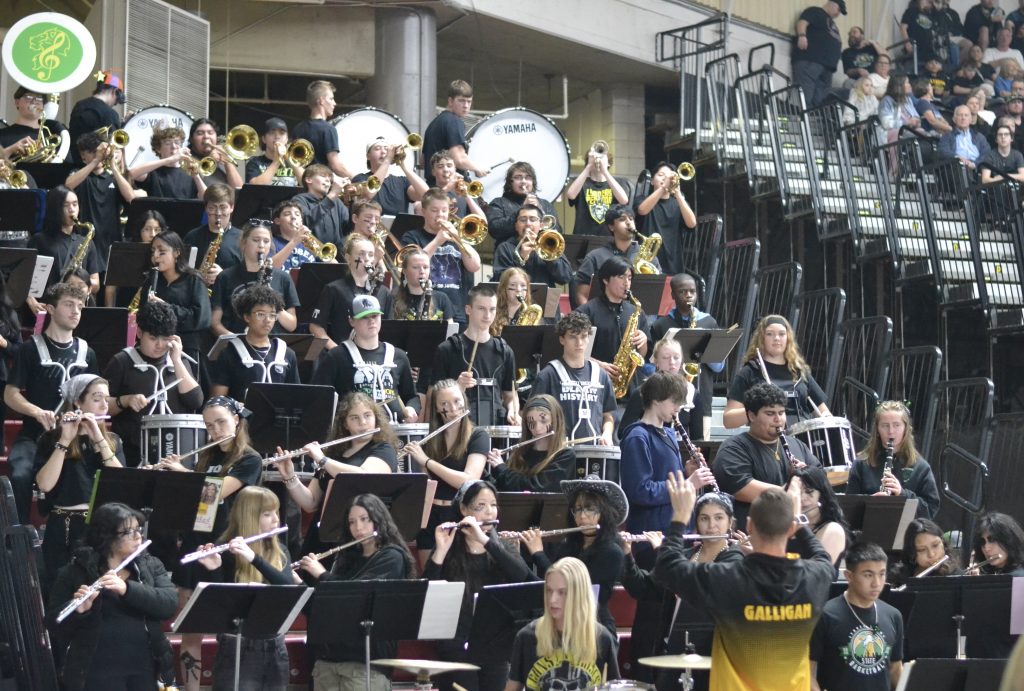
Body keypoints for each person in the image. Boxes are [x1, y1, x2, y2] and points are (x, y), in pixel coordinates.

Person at [653, 473, 835, 691]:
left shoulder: (727, 577)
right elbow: (822, 557)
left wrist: (680, 516)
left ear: (749, 526)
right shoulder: (815, 577)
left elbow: (667, 566)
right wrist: (798, 521)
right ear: (791, 529)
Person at [155, 396, 262, 691]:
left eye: (221, 423)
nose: (215, 431)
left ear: (237, 421)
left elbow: (219, 491)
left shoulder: (249, 459)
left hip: (228, 547)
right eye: (209, 426)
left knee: (229, 628)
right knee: (191, 629)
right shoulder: (207, 456)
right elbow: (197, 505)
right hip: (198, 542)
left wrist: (183, 474)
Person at [47, 502, 177, 691]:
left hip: (145, 667)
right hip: (96, 670)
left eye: (138, 529)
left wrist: (127, 589)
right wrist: (79, 611)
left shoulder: (150, 565)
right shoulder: (76, 571)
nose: (138, 536)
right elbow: (54, 624)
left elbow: (169, 604)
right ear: (106, 536)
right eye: (129, 532)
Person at [620, 491, 743, 688]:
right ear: (697, 523)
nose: (711, 525)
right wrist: (627, 554)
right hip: (673, 650)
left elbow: (698, 586)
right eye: (704, 518)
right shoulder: (685, 556)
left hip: (712, 653)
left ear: (730, 522)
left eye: (719, 518)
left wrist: (664, 553)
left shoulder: (734, 559)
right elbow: (644, 588)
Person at [422, 480, 535, 691]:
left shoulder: (501, 548)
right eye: (480, 506)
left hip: (495, 645)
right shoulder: (450, 547)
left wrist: (486, 541)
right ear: (464, 510)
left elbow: (523, 577)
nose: (489, 512)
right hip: (455, 645)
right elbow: (428, 593)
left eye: (493, 505)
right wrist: (440, 552)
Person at [296, 493, 416, 691]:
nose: (358, 528)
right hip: (328, 662)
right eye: (352, 522)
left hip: (365, 664)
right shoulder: (346, 559)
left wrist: (322, 574)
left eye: (364, 519)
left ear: (378, 519)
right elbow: (323, 608)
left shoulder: (392, 557)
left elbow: (356, 598)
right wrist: (297, 582)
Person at [4, 283, 97, 523]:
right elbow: (10, 394)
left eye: (80, 306)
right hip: (34, 435)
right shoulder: (29, 349)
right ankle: (19, 535)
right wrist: (36, 412)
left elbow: (96, 397)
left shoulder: (87, 353)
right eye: (69, 305)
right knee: (20, 473)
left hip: (74, 437)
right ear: (50, 309)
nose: (75, 311)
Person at [273, 392, 398, 557]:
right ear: (345, 424)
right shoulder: (334, 455)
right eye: (354, 418)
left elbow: (364, 477)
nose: (363, 422)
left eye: (367, 415)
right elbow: (310, 502)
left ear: (376, 418)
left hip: (360, 535)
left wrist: (322, 459)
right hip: (324, 534)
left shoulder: (383, 449)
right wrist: (290, 476)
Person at [196, 487, 295, 691]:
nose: (276, 519)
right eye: (267, 514)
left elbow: (287, 587)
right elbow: (221, 607)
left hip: (275, 644)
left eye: (276, 512)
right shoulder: (226, 550)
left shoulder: (279, 550)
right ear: (249, 516)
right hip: (237, 646)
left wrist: (253, 558)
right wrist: (214, 570)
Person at [34, 375, 124, 591]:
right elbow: (45, 485)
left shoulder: (112, 440)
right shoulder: (51, 439)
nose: (104, 406)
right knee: (58, 589)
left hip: (99, 526)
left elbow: (121, 482)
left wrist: (99, 439)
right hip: (61, 525)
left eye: (107, 400)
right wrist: (65, 440)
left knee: (96, 590)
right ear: (77, 402)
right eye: (97, 399)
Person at [520, 476, 628, 634]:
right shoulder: (568, 546)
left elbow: (577, 593)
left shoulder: (612, 552)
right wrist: (514, 554)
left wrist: (538, 554)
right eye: (577, 509)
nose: (582, 516)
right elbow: (546, 584)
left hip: (593, 628)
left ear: (604, 512)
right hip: (561, 622)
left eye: (590, 509)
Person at [104, 300, 203, 467]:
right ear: (139, 333)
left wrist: (177, 360)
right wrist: (126, 400)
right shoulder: (122, 361)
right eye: (153, 338)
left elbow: (195, 401)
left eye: (165, 339)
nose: (159, 345)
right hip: (134, 450)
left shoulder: (178, 360)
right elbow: (102, 406)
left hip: (175, 450)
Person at [713, 383, 821, 528]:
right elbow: (740, 487)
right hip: (755, 531)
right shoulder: (734, 447)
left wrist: (806, 473)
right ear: (752, 415)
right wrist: (789, 489)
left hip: (795, 529)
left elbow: (820, 478)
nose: (778, 419)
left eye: (781, 413)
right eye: (770, 414)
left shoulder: (797, 444)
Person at [620, 372, 715, 535]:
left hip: (677, 526)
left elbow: (665, 477)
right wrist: (688, 484)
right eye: (674, 401)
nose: (678, 408)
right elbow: (640, 491)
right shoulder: (637, 436)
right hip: (651, 533)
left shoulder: (669, 433)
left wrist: (686, 473)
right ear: (656, 399)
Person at [506, 556, 620, 691]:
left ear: (579, 595)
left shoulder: (602, 638)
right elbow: (513, 687)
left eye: (562, 592)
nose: (552, 600)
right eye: (549, 591)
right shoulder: (527, 636)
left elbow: (615, 685)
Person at [404, 380, 489, 558]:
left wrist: (427, 461)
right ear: (436, 408)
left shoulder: (478, 435)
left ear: (464, 400)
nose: (453, 408)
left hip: (460, 514)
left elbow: (469, 480)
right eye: (445, 404)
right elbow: (428, 483)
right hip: (431, 515)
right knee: (430, 570)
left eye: (457, 401)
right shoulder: (431, 439)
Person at [810, 542, 904, 691]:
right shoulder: (825, 615)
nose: (876, 583)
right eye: (868, 575)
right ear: (849, 576)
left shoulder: (893, 615)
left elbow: (895, 670)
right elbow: (807, 672)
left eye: (881, 574)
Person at [311, 295, 418, 423]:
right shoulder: (336, 356)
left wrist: (411, 408)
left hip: (393, 428)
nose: (371, 321)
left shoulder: (398, 356)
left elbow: (411, 396)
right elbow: (318, 396)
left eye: (375, 316)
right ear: (351, 321)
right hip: (354, 429)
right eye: (364, 317)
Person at [427, 285, 519, 426]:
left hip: (495, 426)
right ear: (468, 309)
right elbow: (432, 397)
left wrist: (513, 410)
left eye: (492, 309)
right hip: (459, 427)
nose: (487, 315)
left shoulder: (504, 351)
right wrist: (457, 387)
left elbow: (510, 395)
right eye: (481, 308)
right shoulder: (448, 349)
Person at [650, 273, 724, 440]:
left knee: (700, 446)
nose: (689, 295)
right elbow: (651, 363)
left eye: (692, 291)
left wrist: (702, 348)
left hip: (701, 398)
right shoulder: (661, 324)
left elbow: (719, 367)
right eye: (683, 291)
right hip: (666, 398)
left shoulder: (708, 322)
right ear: (673, 295)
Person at [723, 315, 830, 429]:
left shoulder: (799, 372)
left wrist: (827, 417)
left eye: (782, 334)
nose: (777, 338)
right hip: (766, 436)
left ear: (788, 338)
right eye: (770, 334)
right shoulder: (750, 371)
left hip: (801, 436)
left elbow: (824, 412)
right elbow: (728, 420)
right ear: (761, 339)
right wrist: (757, 407)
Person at [64, 131, 146, 276]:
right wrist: (95, 161)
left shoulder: (113, 177)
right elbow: (68, 185)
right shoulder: (79, 174)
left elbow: (131, 198)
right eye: (92, 152)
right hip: (85, 239)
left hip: (110, 241)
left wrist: (114, 166)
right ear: (83, 156)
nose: (99, 154)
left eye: (99, 150)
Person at [530, 312, 617, 444]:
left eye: (583, 336)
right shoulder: (548, 375)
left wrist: (607, 433)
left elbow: (608, 415)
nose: (579, 343)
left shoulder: (601, 375)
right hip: (560, 449)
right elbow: (533, 414)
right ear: (562, 339)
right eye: (573, 337)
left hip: (594, 449)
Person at [846, 400, 940, 519]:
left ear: (905, 428)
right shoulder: (861, 464)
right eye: (885, 425)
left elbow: (930, 509)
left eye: (896, 425)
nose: (891, 431)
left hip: (907, 529)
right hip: (868, 526)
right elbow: (848, 506)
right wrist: (869, 502)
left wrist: (902, 493)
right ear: (877, 430)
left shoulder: (921, 467)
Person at [402, 187, 482, 324]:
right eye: (434, 210)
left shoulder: (458, 237)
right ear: (423, 211)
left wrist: (458, 238)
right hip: (426, 309)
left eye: (444, 210)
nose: (440, 215)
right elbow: (412, 265)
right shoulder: (412, 237)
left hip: (458, 309)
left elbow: (474, 266)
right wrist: (437, 241)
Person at [576, 256, 651, 400]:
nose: (626, 283)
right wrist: (598, 365)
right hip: (594, 385)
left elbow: (642, 355)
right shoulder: (586, 312)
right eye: (621, 277)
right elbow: (574, 351)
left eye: (629, 278)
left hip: (630, 388)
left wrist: (643, 341)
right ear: (605, 279)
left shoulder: (636, 312)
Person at [210, 284, 301, 401]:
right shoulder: (229, 353)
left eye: (272, 315)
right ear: (246, 316)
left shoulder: (287, 354)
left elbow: (295, 397)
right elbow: (217, 401)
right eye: (260, 314)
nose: (267, 320)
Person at [209, 220, 300, 336]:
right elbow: (215, 323)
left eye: (266, 241)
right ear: (244, 243)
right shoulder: (225, 277)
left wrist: (273, 301)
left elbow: (291, 325)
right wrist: (236, 340)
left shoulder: (283, 277)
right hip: (237, 341)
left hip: (272, 343)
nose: (261, 245)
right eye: (256, 240)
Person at [310, 233, 395, 348]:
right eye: (361, 254)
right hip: (342, 350)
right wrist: (337, 351)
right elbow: (316, 327)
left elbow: (389, 330)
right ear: (348, 258)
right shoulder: (334, 289)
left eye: (371, 254)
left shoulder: (383, 292)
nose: (367, 259)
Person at [573, 205, 660, 307]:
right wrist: (592, 315)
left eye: (631, 219)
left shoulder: (648, 257)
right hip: (604, 313)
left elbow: (659, 291)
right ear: (611, 226)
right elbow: (581, 294)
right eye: (622, 219)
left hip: (641, 313)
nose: (629, 222)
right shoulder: (594, 257)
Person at [487, 394, 575, 492]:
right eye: (531, 422)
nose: (537, 428)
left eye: (543, 420)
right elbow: (501, 488)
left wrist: (502, 469)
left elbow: (535, 487)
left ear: (555, 421)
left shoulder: (565, 456)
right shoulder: (520, 455)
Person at [148, 231, 212, 363]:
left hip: (187, 348)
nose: (155, 256)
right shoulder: (152, 279)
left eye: (162, 252)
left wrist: (166, 308)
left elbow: (202, 318)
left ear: (176, 253)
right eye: (153, 251)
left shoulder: (193, 279)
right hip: (156, 348)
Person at [618, 334, 696, 440]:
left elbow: (698, 438)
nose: (672, 362)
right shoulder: (642, 392)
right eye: (666, 357)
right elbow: (623, 432)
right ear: (656, 361)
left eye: (676, 357)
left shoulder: (692, 392)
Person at [30, 186, 101, 296]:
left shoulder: (87, 242)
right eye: (65, 205)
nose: (72, 209)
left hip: (78, 302)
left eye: (75, 204)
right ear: (55, 208)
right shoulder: (39, 240)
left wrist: (80, 283)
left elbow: (96, 283)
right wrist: (33, 302)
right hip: (49, 302)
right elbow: (25, 279)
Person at [422, 80, 490, 186]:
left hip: (432, 188)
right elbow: (459, 159)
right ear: (450, 101)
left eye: (469, 101)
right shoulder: (454, 122)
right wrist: (478, 168)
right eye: (461, 101)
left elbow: (423, 161)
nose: (466, 106)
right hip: (450, 188)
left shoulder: (433, 124)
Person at [634, 162, 697, 275]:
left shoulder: (678, 203)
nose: (665, 178)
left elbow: (692, 224)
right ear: (652, 181)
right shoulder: (642, 199)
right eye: (661, 175)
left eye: (669, 176)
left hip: (673, 266)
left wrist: (678, 193)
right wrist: (663, 187)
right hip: (646, 265)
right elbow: (642, 210)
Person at [490, 204, 572, 287]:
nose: (528, 224)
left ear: (541, 225)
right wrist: (521, 259)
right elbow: (499, 281)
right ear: (516, 226)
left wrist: (547, 254)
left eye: (533, 219)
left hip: (545, 295)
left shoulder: (551, 245)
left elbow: (565, 278)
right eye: (523, 220)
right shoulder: (504, 248)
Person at [183, 183, 243, 291]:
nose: (218, 213)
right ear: (206, 208)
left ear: (232, 207)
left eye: (223, 207)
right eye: (212, 208)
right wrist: (198, 276)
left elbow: (246, 277)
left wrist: (223, 275)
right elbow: (182, 272)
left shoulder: (242, 238)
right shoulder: (192, 236)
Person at [485, 161, 561, 245]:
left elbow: (557, 232)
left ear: (533, 182)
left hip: (539, 250)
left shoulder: (545, 204)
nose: (523, 181)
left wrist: (540, 212)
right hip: (509, 251)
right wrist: (521, 210)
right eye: (518, 177)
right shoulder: (498, 202)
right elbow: (494, 230)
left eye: (528, 177)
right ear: (510, 182)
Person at [565, 142, 630, 237]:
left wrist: (605, 171)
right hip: (583, 236)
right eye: (595, 157)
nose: (598, 159)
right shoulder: (581, 182)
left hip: (608, 237)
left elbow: (624, 201)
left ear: (609, 162)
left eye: (602, 157)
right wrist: (589, 166)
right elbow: (571, 195)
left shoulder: (614, 184)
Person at [291, 80, 353, 178]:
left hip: (302, 183)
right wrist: (357, 178)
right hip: (322, 184)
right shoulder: (328, 129)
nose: (334, 103)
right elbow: (336, 166)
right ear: (321, 100)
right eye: (331, 99)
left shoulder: (298, 129)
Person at [353, 135, 429, 216]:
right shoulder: (360, 178)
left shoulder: (402, 181)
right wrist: (388, 159)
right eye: (377, 149)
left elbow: (426, 195)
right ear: (368, 156)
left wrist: (403, 165)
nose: (383, 152)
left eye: (386, 149)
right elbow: (369, 193)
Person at [793, 466, 850, 568]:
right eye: (797, 492)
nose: (802, 498)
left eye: (809, 491)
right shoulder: (787, 525)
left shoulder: (833, 530)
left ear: (822, 495)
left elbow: (816, 571)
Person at [792, 0, 846, 108]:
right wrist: (802, 35)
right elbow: (802, 22)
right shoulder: (815, 11)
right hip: (810, 60)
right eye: (839, 10)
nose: (838, 14)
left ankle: (813, 115)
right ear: (832, 4)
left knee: (820, 99)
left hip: (826, 67)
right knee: (806, 94)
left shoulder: (831, 22)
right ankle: (805, 115)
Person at [129, 125, 205, 200]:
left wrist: (196, 176)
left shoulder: (189, 171)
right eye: (168, 143)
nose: (174, 146)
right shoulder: (153, 171)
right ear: (158, 149)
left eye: (177, 142)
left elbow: (205, 198)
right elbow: (130, 174)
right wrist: (171, 159)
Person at [67, 70, 125, 166]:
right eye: (116, 102)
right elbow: (115, 147)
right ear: (114, 91)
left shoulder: (79, 105)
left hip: (75, 163)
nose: (114, 104)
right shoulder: (110, 114)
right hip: (97, 167)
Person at [888, 518, 960, 587]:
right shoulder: (898, 578)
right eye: (922, 550)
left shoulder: (955, 577)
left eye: (935, 545)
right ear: (912, 553)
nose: (931, 554)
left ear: (943, 543)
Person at [0, 86, 68, 160]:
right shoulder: (2, 135)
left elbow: (68, 165)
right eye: (28, 97)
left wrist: (49, 158)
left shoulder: (54, 136)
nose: (34, 101)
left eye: (39, 98)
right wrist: (10, 150)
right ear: (17, 102)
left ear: (43, 106)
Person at [293, 164, 350, 249]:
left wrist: (351, 200)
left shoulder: (336, 202)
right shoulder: (299, 200)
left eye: (329, 178)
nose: (328, 180)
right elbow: (305, 222)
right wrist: (332, 195)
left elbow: (348, 227)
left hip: (336, 252)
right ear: (308, 180)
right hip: (310, 251)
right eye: (323, 176)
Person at [392, 248, 455, 321]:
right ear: (404, 271)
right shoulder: (393, 298)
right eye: (415, 267)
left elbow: (450, 326)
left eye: (425, 267)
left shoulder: (442, 298)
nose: (422, 271)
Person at [245, 117, 305, 187]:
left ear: (286, 139)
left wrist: (291, 160)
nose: (277, 136)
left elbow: (307, 184)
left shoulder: (295, 162)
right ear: (264, 139)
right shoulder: (254, 162)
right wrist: (276, 161)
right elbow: (254, 187)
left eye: (282, 133)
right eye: (272, 133)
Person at [187, 118, 244, 189]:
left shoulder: (220, 157)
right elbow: (192, 185)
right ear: (191, 139)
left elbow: (239, 188)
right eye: (200, 133)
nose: (206, 136)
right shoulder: (187, 158)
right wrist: (210, 160)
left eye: (210, 133)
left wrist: (228, 161)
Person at [269, 199, 321, 270]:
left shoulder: (309, 243)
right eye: (287, 214)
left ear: (301, 221)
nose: (293, 217)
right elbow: (269, 268)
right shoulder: (271, 243)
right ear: (277, 221)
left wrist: (318, 247)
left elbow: (334, 265)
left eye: (297, 214)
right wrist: (294, 241)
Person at [938, 105, 991, 170]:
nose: (963, 118)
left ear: (970, 120)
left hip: (977, 169)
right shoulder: (947, 136)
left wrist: (975, 164)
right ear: (954, 119)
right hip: (957, 168)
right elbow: (943, 151)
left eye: (966, 115)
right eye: (960, 115)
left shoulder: (979, 137)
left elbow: (986, 153)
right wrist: (957, 158)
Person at [878, 74, 924, 143]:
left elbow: (916, 116)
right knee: (922, 135)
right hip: (892, 134)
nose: (910, 85)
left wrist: (916, 121)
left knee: (927, 134)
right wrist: (906, 122)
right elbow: (886, 124)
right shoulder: (887, 100)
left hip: (908, 131)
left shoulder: (907, 99)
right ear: (899, 86)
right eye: (907, 83)